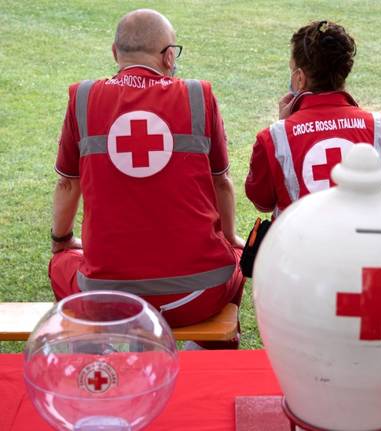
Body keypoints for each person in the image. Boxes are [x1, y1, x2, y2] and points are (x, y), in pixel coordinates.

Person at [49, 9, 245, 347]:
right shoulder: (199, 95)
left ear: (115, 53)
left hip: (106, 300)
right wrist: (229, 236)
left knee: (62, 263)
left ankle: (94, 349)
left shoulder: (82, 98)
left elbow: (68, 184)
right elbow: (221, 181)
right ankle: (210, 352)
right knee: (239, 259)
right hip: (198, 294)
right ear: (169, 56)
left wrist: (61, 239)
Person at [245, 20, 381, 217]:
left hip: (297, 246)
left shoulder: (273, 138)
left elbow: (261, 201)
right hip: (368, 246)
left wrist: (283, 126)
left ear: (299, 78)